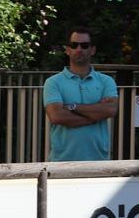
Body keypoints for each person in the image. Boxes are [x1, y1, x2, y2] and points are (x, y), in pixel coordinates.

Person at [43, 27, 120, 161]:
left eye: (84, 45)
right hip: (62, 162)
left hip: (98, 161)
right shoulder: (53, 82)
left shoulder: (106, 81)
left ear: (92, 50)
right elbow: (57, 116)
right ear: (67, 50)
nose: (79, 49)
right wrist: (96, 115)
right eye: (74, 45)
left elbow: (110, 110)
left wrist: (72, 107)